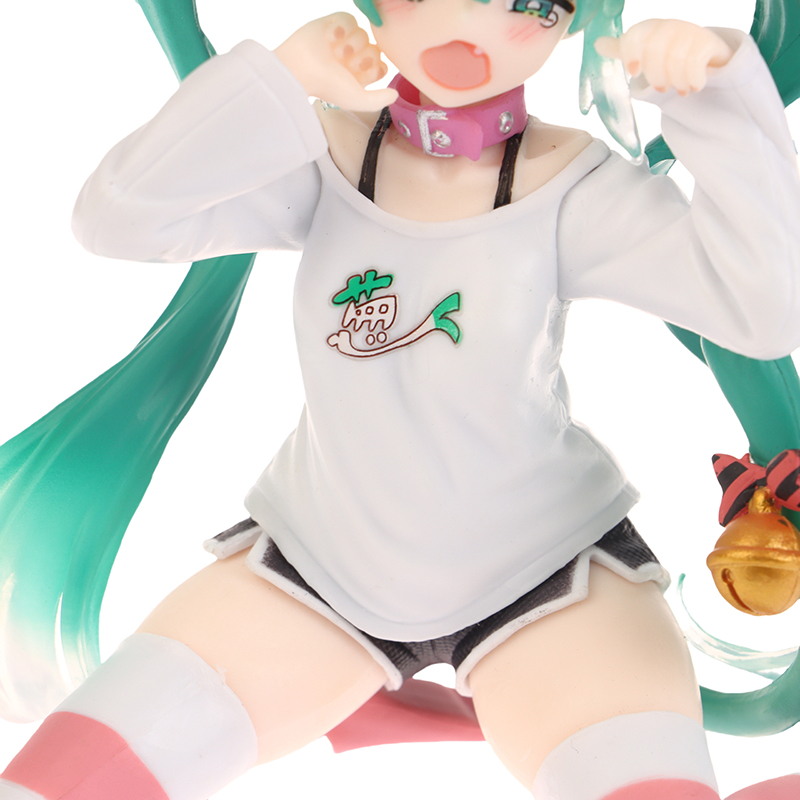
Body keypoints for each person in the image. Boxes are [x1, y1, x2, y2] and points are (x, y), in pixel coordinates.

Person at [2, 1, 800, 799]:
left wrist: (714, 95)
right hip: (319, 564)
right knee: (59, 783)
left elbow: (759, 310)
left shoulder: (570, 185)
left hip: (549, 572)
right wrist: (275, 80)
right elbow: (116, 220)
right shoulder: (325, 155)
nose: (468, 33)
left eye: (529, 5)